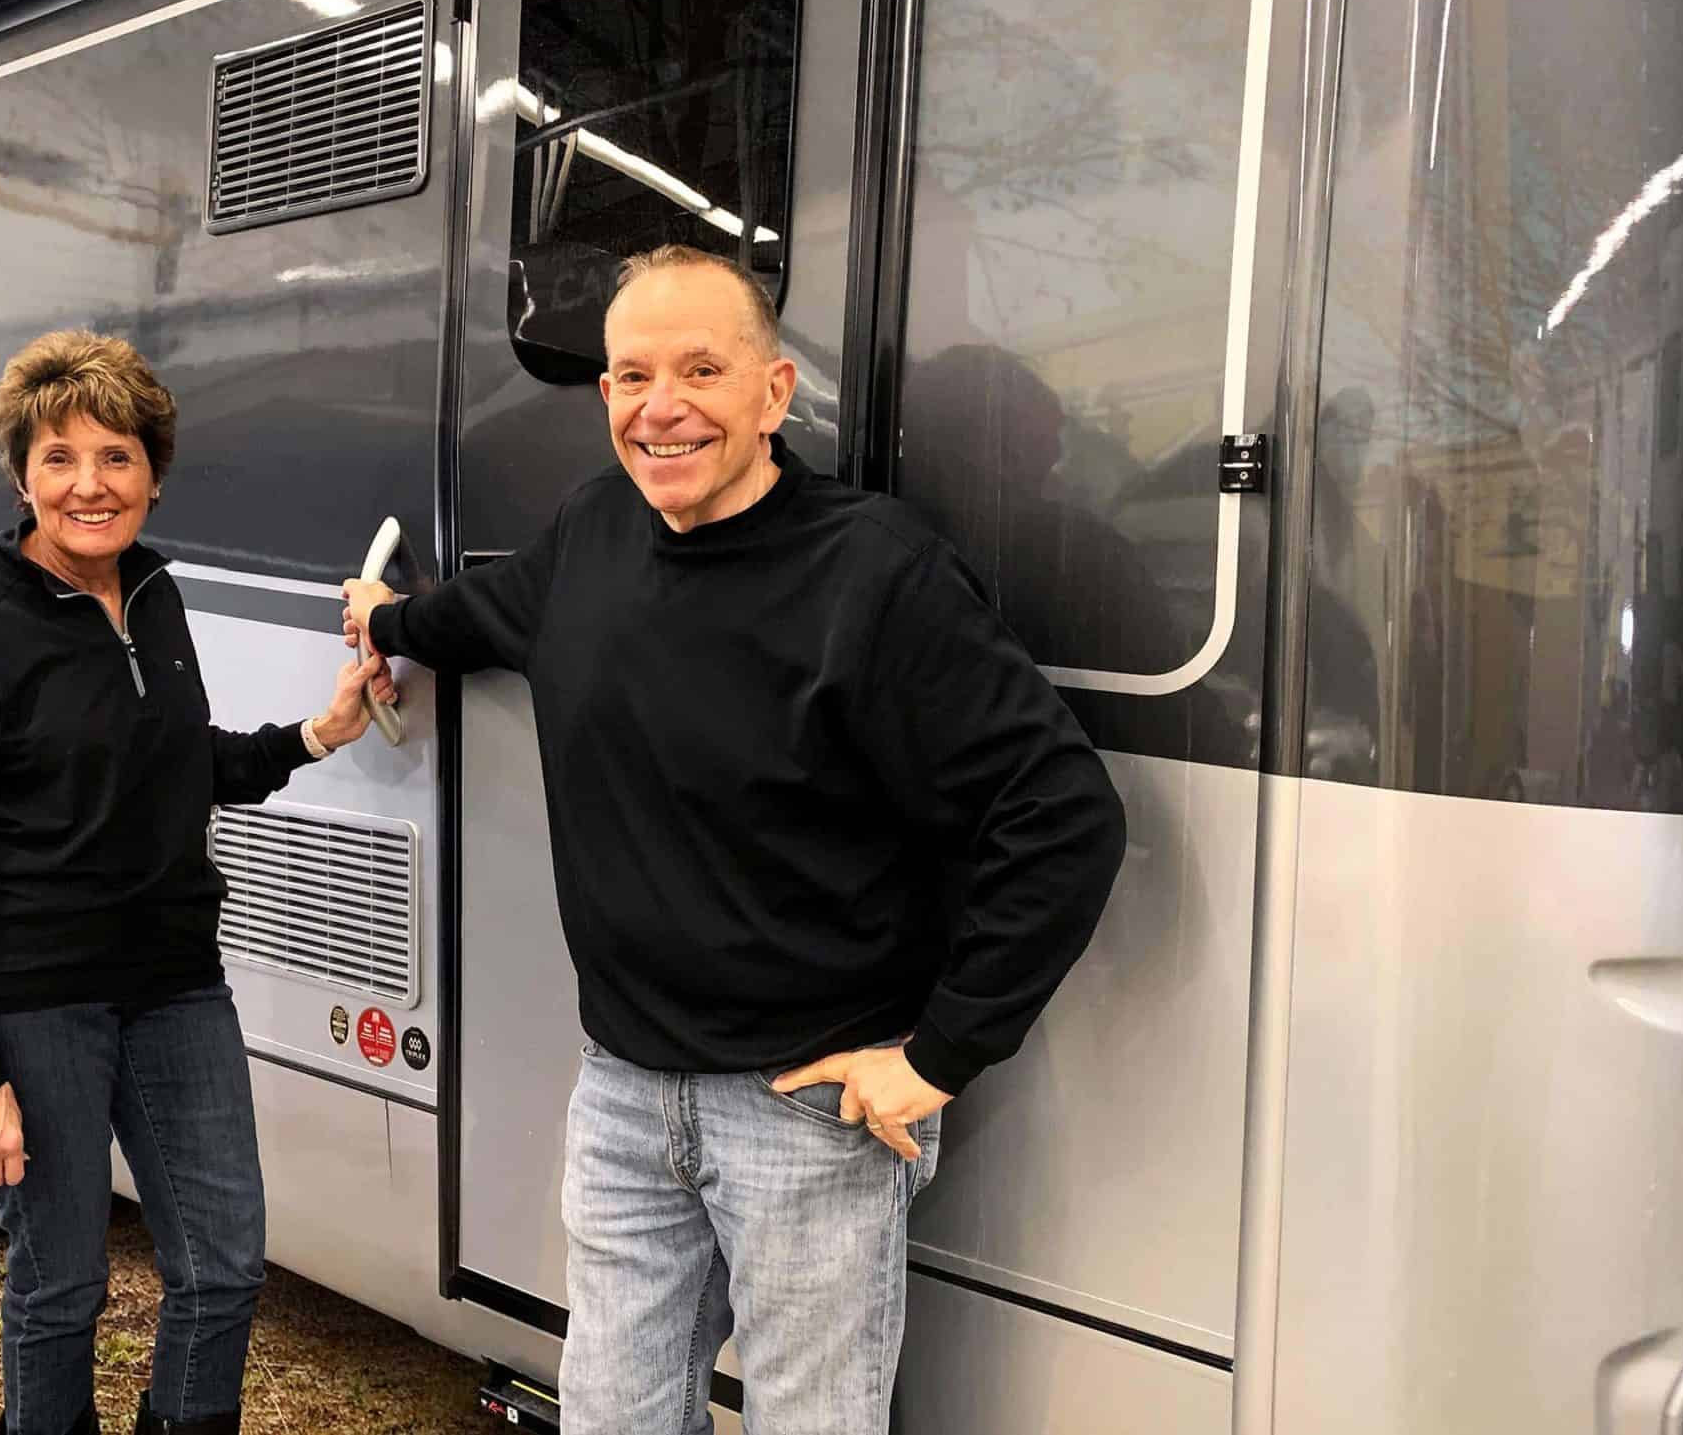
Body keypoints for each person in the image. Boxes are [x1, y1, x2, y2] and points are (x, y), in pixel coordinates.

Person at [343, 246, 1126, 1433]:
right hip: (620, 1088)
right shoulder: (592, 532)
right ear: (603, 396)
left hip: (807, 1105)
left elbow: (1062, 813)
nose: (663, 406)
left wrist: (938, 1056)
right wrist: (384, 619)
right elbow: (479, 615)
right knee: (612, 1415)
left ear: (771, 394)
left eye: (702, 369)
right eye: (631, 375)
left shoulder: (874, 573)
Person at [0, 330, 394, 1435]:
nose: (88, 485)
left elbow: (173, 760)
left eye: (115, 457)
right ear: (21, 476)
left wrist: (316, 733)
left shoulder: (153, 595)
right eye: (58, 457)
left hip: (174, 985)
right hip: (37, 1001)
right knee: (61, 1286)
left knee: (221, 1268)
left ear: (153, 474)